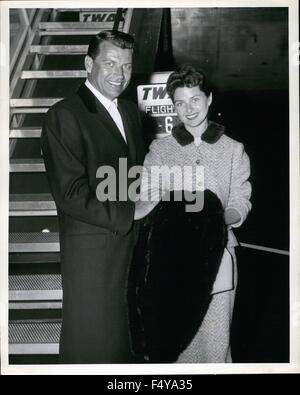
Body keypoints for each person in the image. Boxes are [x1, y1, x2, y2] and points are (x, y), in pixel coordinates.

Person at [133, 65, 251, 363]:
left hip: (218, 255)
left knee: (215, 344)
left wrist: (215, 220)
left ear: (209, 99)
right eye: (180, 103)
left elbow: (241, 201)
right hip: (170, 261)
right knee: (175, 345)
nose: (189, 109)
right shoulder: (160, 150)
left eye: (195, 99)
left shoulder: (233, 150)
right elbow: (147, 196)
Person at [41, 30, 145, 364]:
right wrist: (132, 212)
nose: (119, 74)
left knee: (124, 349)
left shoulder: (129, 112)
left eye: (126, 66)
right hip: (93, 257)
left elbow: (131, 177)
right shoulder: (64, 114)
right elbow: (70, 194)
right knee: (92, 349)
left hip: (128, 249)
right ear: (89, 64)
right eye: (110, 63)